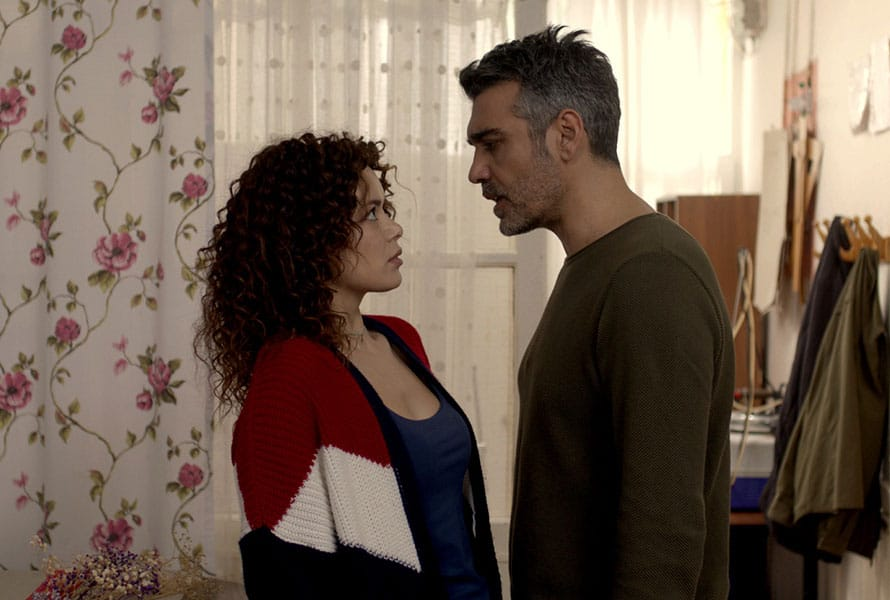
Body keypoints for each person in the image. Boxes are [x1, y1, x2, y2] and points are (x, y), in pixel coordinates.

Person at [459, 26, 734, 599]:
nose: (477, 171)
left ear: (566, 134)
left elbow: (663, 537)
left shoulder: (652, 275)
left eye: (492, 144)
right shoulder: (597, 264)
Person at [195, 132, 501, 599]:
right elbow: (283, 572)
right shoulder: (287, 377)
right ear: (310, 235)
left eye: (386, 208)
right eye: (370, 213)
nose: (394, 228)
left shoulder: (401, 339)